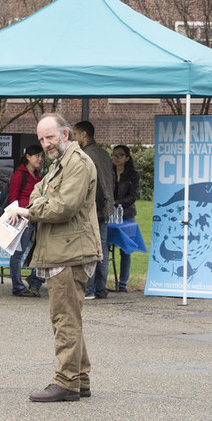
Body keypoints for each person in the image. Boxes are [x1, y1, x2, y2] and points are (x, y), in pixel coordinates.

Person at [10, 114, 101, 402]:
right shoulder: (59, 165)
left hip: (71, 252)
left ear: (66, 134)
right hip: (63, 249)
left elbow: (64, 206)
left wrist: (30, 211)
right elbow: (39, 193)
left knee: (64, 318)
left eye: (49, 137)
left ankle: (66, 381)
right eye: (41, 139)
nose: (45, 144)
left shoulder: (78, 163)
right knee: (69, 316)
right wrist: (36, 204)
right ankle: (80, 377)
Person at [73, 120, 114, 300]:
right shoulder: (104, 154)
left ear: (84, 135)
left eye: (75, 134)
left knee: (90, 250)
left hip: (92, 208)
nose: (74, 138)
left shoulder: (84, 155)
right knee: (102, 248)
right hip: (106, 207)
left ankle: (88, 289)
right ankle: (100, 288)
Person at [7, 143, 45, 297]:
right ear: (28, 157)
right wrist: (16, 213)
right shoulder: (19, 175)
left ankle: (34, 280)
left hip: (35, 220)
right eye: (37, 156)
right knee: (17, 255)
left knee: (41, 252)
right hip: (23, 221)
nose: (40, 159)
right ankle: (17, 286)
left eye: (42, 156)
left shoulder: (37, 176)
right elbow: (12, 198)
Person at [112, 144, 139, 292]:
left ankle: (123, 283)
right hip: (109, 215)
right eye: (114, 154)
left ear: (127, 158)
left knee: (125, 249)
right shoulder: (108, 172)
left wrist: (117, 203)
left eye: (120, 155)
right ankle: (98, 281)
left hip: (127, 215)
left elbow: (133, 196)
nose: (116, 157)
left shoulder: (133, 175)